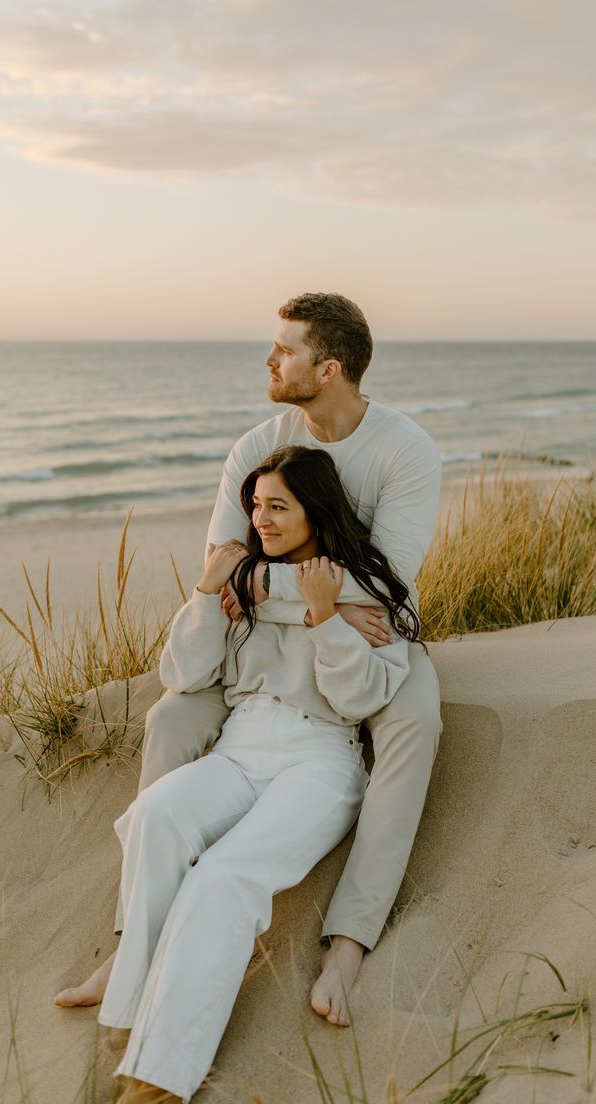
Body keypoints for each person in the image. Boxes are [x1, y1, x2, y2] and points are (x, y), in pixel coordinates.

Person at [55, 291, 442, 1027]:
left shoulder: (405, 449)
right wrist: (299, 591)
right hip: (258, 645)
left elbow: (380, 587)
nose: (270, 359)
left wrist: (268, 587)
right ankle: (132, 940)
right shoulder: (256, 445)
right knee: (171, 716)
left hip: (374, 639)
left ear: (329, 369)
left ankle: (350, 941)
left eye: (285, 349)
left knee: (415, 723)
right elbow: (221, 565)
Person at [97, 445, 417, 1103]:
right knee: (157, 815)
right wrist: (209, 592)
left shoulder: (363, 587)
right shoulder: (245, 580)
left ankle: (158, 1077)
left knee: (224, 876)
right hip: (239, 750)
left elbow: (360, 700)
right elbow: (184, 676)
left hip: (319, 760)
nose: (260, 519)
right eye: (254, 505)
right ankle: (131, 1016)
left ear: (314, 510)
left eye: (278, 505)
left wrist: (327, 618)